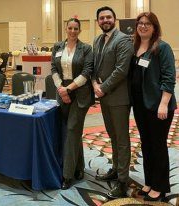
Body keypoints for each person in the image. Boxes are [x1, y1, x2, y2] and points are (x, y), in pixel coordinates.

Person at [130, 12, 176, 202]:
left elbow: (169, 77)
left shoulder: (162, 48)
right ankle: (149, 181)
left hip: (158, 106)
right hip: (140, 105)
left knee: (158, 145)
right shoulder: (135, 46)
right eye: (140, 23)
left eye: (147, 24)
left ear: (154, 27)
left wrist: (164, 104)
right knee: (146, 144)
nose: (143, 26)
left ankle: (160, 186)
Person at [92, 6, 133, 199]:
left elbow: (121, 70)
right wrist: (94, 83)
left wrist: (102, 88)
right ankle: (116, 169)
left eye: (108, 17)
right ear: (98, 21)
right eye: (102, 18)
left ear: (114, 20)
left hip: (118, 97)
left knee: (122, 140)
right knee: (113, 137)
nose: (105, 20)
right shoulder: (98, 40)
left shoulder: (123, 39)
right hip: (104, 98)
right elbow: (94, 66)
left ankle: (123, 181)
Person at [51, 17, 94, 190]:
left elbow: (87, 71)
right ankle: (79, 167)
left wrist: (69, 89)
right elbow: (54, 69)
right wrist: (61, 88)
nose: (73, 31)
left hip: (80, 93)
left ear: (80, 30)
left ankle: (67, 175)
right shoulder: (57, 47)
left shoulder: (86, 48)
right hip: (62, 92)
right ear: (66, 29)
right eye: (70, 28)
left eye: (76, 29)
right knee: (72, 133)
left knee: (71, 130)